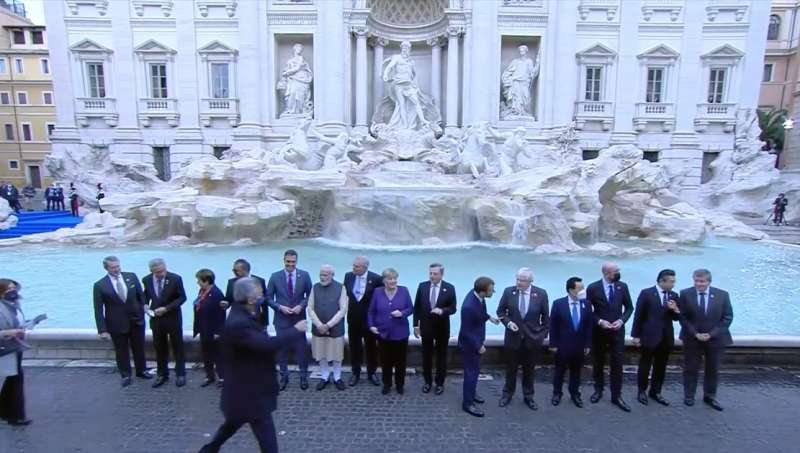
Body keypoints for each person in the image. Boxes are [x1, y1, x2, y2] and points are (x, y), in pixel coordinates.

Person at [198, 278, 307, 453]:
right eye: (258, 293)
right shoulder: (240, 323)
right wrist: (296, 330)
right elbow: (266, 344)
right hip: (250, 392)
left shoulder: (244, 313)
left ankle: (209, 449)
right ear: (250, 299)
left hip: (242, 393)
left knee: (231, 425)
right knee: (266, 439)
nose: (262, 295)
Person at [677, 269, 733, 411]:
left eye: (702, 281)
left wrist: (711, 334)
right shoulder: (685, 294)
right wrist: (695, 334)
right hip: (692, 338)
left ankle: (710, 396)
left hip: (715, 339)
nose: (699, 284)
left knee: (712, 369)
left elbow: (727, 317)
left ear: (709, 281)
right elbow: (682, 317)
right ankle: (689, 396)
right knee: (690, 368)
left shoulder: (722, 295)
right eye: (696, 281)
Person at [92, 256, 151, 387]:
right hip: (116, 324)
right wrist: (102, 330)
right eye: (113, 267)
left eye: (118, 266)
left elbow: (141, 296)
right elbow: (98, 309)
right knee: (121, 350)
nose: (116, 269)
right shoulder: (99, 285)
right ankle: (125, 375)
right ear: (106, 268)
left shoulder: (131, 276)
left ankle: (142, 371)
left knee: (139, 348)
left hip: (136, 320)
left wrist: (145, 307)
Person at [496, 267, 549, 410]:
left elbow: (546, 318)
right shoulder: (509, 292)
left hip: (532, 340)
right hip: (513, 338)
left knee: (529, 370)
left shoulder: (541, 294)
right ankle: (507, 394)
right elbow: (500, 311)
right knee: (510, 369)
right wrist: (508, 322)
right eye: (517, 279)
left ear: (531, 281)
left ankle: (528, 396)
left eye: (523, 280)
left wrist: (542, 335)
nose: (519, 283)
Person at [586, 262, 634, 411]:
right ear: (606, 273)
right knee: (598, 362)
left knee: (617, 364)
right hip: (599, 332)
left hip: (617, 332)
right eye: (615, 271)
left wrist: (621, 320)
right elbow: (587, 310)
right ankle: (598, 390)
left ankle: (616, 395)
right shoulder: (593, 288)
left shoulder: (622, 286)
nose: (618, 273)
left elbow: (629, 307)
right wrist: (600, 321)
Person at [631, 269, 681, 406]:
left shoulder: (674, 295)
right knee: (645, 365)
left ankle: (656, 392)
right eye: (671, 282)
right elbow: (639, 315)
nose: (673, 284)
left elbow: (677, 318)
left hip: (666, 337)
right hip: (649, 336)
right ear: (661, 281)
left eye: (673, 281)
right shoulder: (647, 293)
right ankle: (641, 391)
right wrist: (635, 335)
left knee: (661, 366)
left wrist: (676, 309)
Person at [266, 249, 313, 391]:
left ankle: (303, 377)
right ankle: (284, 377)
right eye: (288, 262)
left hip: (299, 319)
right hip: (282, 320)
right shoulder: (275, 277)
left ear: (296, 261)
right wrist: (280, 307)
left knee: (301, 350)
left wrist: (301, 306)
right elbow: (268, 298)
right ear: (284, 261)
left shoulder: (304, 275)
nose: (290, 264)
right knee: (282, 351)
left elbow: (310, 295)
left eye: (293, 262)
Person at [142, 258, 187, 388]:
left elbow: (182, 297)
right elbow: (146, 294)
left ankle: (180, 374)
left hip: (172, 317)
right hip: (156, 319)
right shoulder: (146, 279)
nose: (161, 274)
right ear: (151, 271)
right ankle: (162, 374)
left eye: (162, 271)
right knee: (159, 347)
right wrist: (145, 304)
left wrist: (167, 308)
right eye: (157, 272)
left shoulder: (175, 278)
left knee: (177, 346)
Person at [413, 263, 457, 395]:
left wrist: (442, 310)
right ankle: (427, 382)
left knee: (441, 357)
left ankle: (439, 383)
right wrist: (416, 325)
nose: (432, 276)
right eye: (430, 273)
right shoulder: (422, 286)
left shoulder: (449, 288)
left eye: (435, 274)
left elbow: (453, 308)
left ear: (441, 274)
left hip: (442, 328)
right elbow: (417, 308)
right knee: (426, 356)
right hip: (426, 328)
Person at [368, 268, 413, 395]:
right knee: (385, 361)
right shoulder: (377, 292)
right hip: (382, 333)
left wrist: (402, 313)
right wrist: (371, 325)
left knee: (400, 361)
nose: (393, 281)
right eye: (390, 278)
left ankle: (400, 385)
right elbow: (371, 311)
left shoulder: (404, 291)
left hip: (400, 333)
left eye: (394, 278)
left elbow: (410, 308)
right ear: (384, 280)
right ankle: (387, 384)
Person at [549, 277, 593, 408]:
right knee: (559, 371)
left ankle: (575, 394)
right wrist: (553, 344)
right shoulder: (558, 304)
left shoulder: (587, 304)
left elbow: (589, 326)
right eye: (580, 288)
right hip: (562, 345)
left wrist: (588, 344)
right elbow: (553, 326)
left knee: (576, 372)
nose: (583, 291)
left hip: (579, 346)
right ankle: (557, 393)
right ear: (571, 290)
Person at [458, 277, 498, 417]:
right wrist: (478, 345)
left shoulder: (477, 297)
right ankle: (468, 403)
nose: (493, 291)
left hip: (474, 341)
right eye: (491, 289)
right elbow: (466, 331)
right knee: (471, 373)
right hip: (470, 345)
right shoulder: (469, 307)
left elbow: (479, 312)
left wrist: (489, 317)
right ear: (482, 291)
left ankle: (471, 393)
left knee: (474, 372)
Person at [307, 265, 348, 391]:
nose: (322, 277)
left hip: (335, 328)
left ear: (332, 275)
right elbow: (310, 308)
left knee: (336, 355)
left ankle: (337, 377)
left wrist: (328, 325)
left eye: (325, 275)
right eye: (321, 274)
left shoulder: (341, 287)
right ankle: (324, 376)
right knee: (321, 354)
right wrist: (319, 325)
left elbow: (343, 310)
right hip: (318, 328)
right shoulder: (315, 287)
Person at [344, 256, 383, 387]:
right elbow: (345, 296)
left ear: (365, 267)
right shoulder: (348, 276)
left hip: (370, 321)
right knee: (354, 347)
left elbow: (380, 299)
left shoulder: (376, 279)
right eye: (353, 265)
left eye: (357, 266)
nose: (354, 268)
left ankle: (372, 373)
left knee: (371, 347)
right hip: (353, 319)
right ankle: (355, 373)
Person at [0, 279, 31, 425]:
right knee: (13, 379)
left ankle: (10, 414)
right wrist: (9, 332)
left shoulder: (14, 305)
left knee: (13, 379)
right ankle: (14, 416)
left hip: (14, 347)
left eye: (14, 288)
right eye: (8, 289)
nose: (12, 291)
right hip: (5, 349)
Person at [193, 269, 227, 388]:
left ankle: (222, 377)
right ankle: (209, 376)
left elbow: (221, 315)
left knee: (218, 355)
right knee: (206, 354)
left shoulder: (217, 294)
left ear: (206, 281)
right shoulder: (202, 291)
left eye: (199, 280)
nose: (197, 282)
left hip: (214, 331)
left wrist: (218, 332)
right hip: (204, 329)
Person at [225, 259, 268, 327]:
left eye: (236, 271)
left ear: (245, 270)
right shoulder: (231, 282)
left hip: (255, 320)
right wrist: (225, 304)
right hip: (236, 320)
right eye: (233, 270)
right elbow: (228, 300)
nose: (234, 272)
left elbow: (265, 304)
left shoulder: (259, 281)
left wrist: (265, 323)